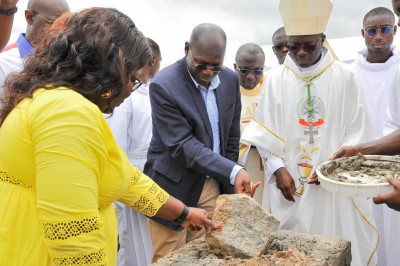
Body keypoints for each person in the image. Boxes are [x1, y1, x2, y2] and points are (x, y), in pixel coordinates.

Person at [0, 8, 221, 265]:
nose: (130, 89)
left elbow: (127, 179)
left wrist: (182, 213)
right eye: (132, 79)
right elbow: (74, 236)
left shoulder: (61, 101)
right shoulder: (66, 113)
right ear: (111, 69)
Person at [241, 0, 377, 265]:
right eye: (294, 47)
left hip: (333, 189)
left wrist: (333, 168)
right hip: (289, 184)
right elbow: (264, 133)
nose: (300, 53)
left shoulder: (346, 77)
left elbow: (358, 132)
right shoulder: (276, 80)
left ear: (323, 39)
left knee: (336, 243)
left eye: (309, 46)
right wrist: (277, 169)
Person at [144, 23, 255, 262]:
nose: (208, 72)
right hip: (174, 187)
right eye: (201, 64)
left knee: (209, 255)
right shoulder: (164, 85)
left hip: (213, 183)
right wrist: (234, 171)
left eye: (216, 66)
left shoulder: (228, 80)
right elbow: (184, 146)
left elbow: (232, 137)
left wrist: (228, 179)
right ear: (187, 49)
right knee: (171, 257)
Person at [350, 7, 400, 266]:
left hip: (395, 164)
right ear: (363, 34)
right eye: (372, 30)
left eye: (385, 29)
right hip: (359, 165)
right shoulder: (349, 73)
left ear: (395, 30)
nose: (378, 36)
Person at [106, 37, 162, 266]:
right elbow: (116, 144)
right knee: (131, 245)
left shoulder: (149, 92)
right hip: (131, 172)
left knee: (147, 245)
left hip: (149, 174)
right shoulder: (125, 96)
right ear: (151, 60)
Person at [0, 0, 70, 99]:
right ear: (30, 17)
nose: (60, 32)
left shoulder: (67, 67)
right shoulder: (3, 62)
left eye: (65, 26)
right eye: (54, 24)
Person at [233, 43, 267, 208]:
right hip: (243, 160)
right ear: (235, 68)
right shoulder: (227, 90)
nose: (251, 76)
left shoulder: (270, 88)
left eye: (257, 71)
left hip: (268, 160)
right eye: (244, 70)